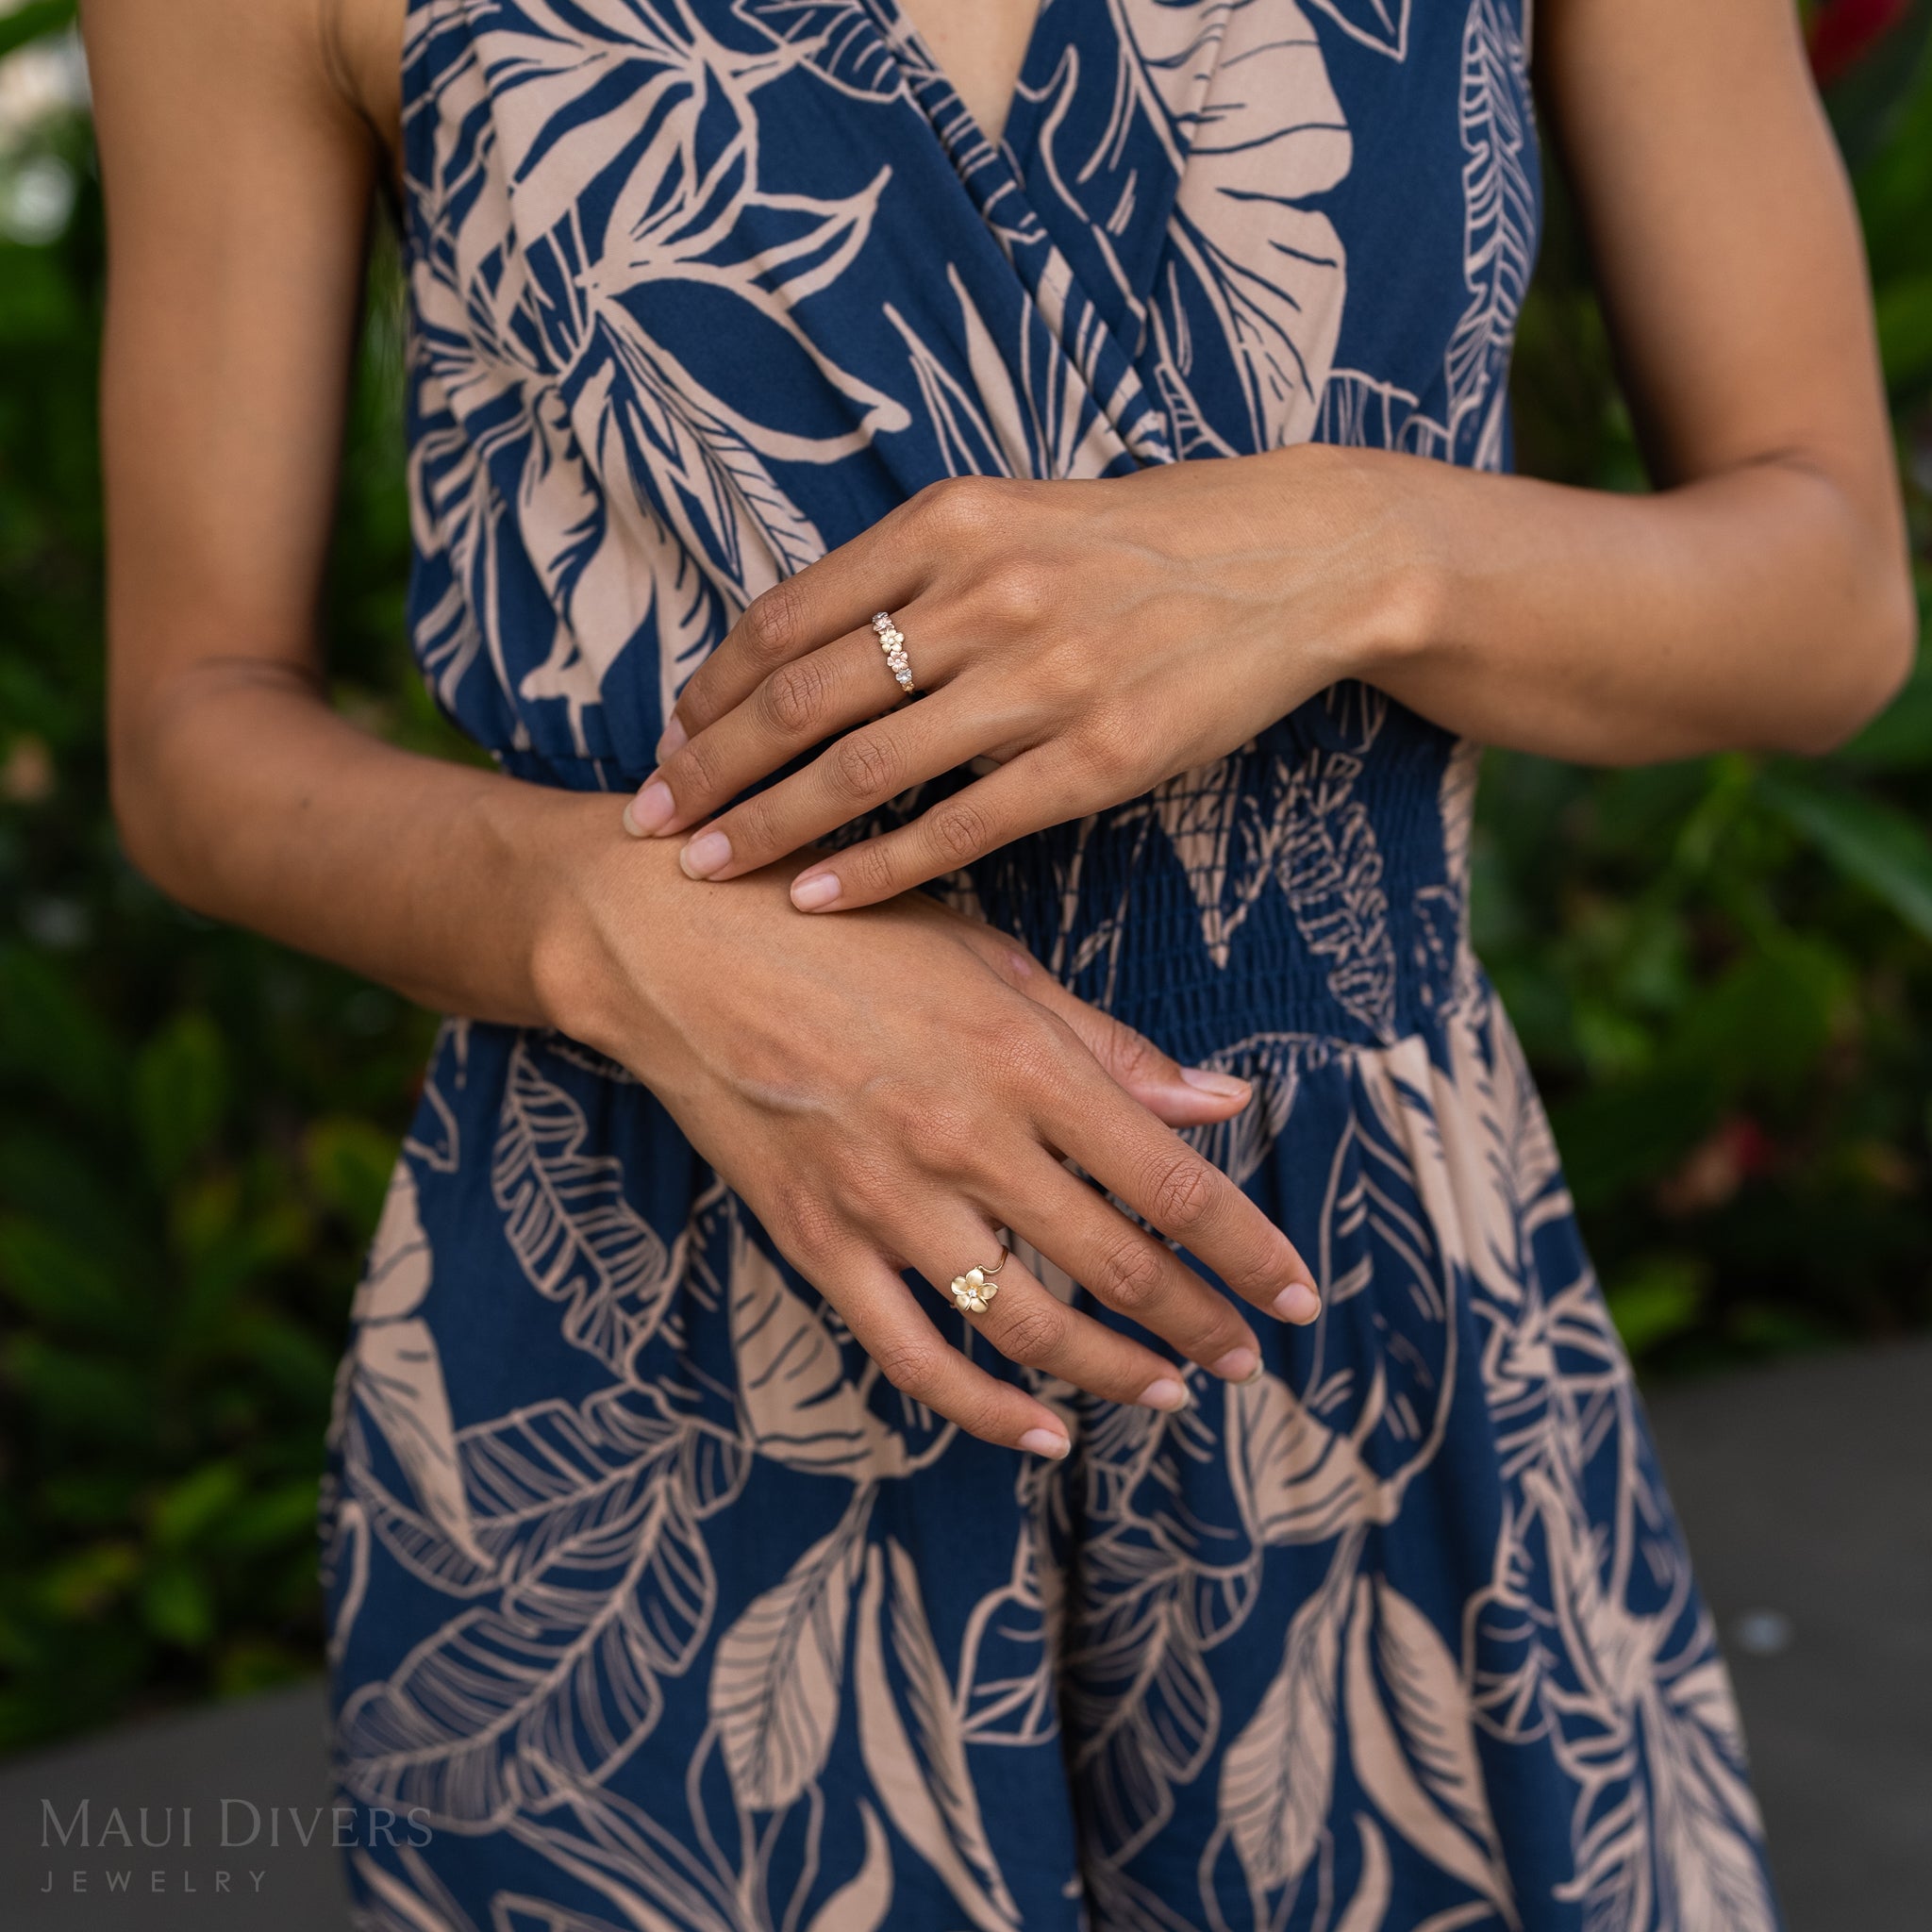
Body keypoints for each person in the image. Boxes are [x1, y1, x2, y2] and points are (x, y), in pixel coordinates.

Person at [79, 0, 1911, 1923]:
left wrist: (1353, 546)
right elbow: (196, 727)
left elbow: (1825, 593)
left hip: (1371, 1345)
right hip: (657, 1377)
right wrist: (600, 919)